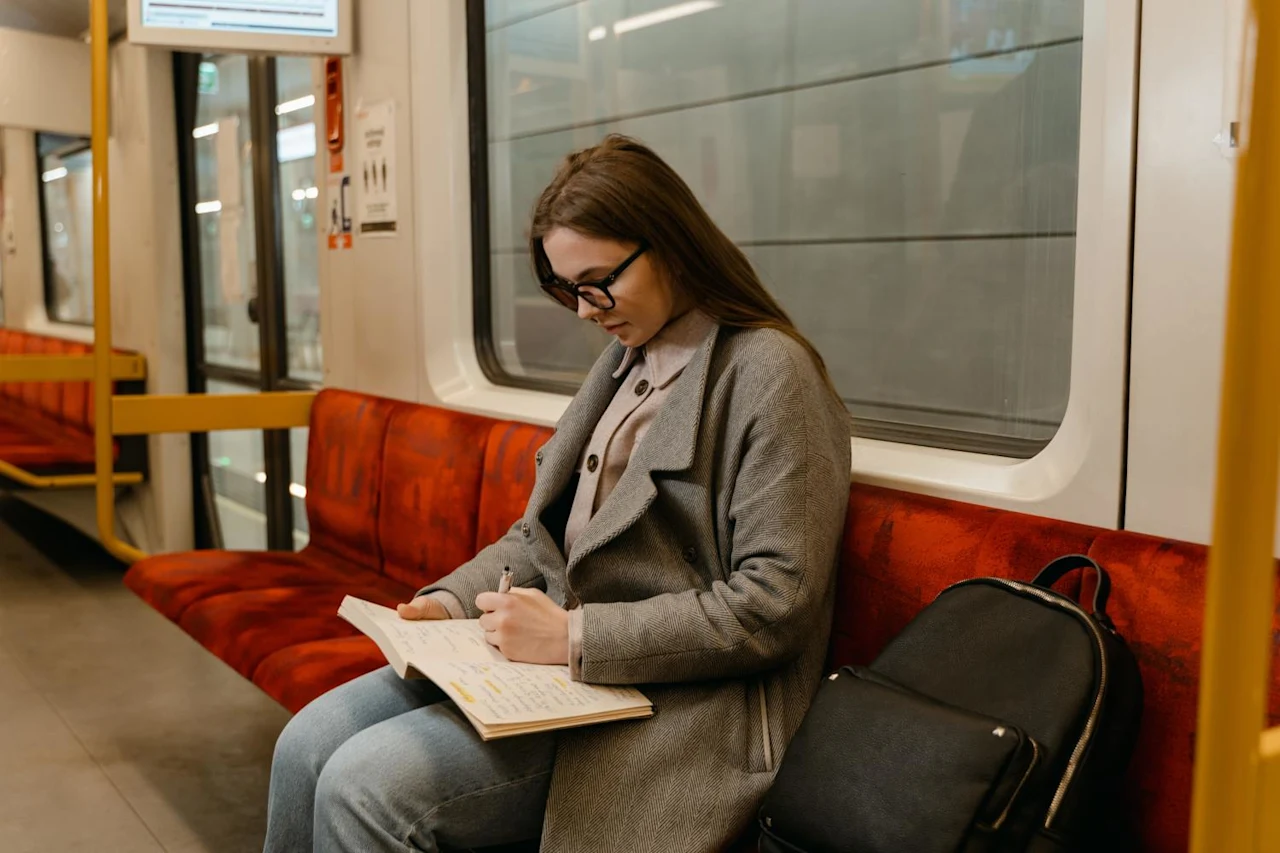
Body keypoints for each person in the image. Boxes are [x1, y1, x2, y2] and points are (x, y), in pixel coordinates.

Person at [264, 134, 852, 853]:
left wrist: (574, 635)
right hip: (564, 674)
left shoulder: (768, 374)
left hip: (680, 702)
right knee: (305, 743)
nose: (583, 310)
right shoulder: (626, 359)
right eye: (567, 288)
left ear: (669, 243)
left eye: (597, 282)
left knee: (367, 784)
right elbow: (541, 539)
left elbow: (773, 605)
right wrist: (447, 602)